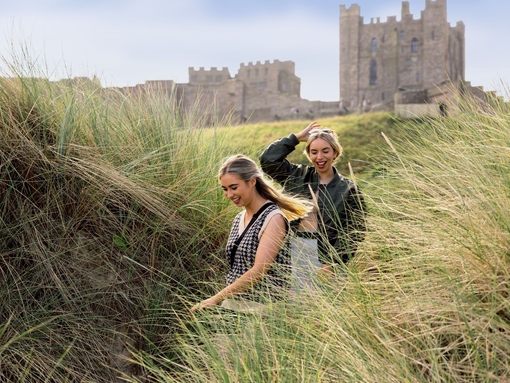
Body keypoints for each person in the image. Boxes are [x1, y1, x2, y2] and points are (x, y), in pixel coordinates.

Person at [191, 154, 310, 313]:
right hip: (233, 306)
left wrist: (215, 299)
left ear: (252, 181)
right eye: (225, 189)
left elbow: (259, 271)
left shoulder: (273, 218)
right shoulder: (239, 218)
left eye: (234, 187)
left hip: (263, 310)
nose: (229, 195)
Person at [259, 121, 366, 282]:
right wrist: (296, 138)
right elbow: (268, 160)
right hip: (292, 248)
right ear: (308, 154)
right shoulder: (296, 176)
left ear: (335, 153)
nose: (319, 157)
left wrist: (332, 262)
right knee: (293, 303)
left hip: (327, 255)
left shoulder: (348, 189)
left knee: (327, 303)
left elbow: (355, 230)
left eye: (325, 151)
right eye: (314, 152)